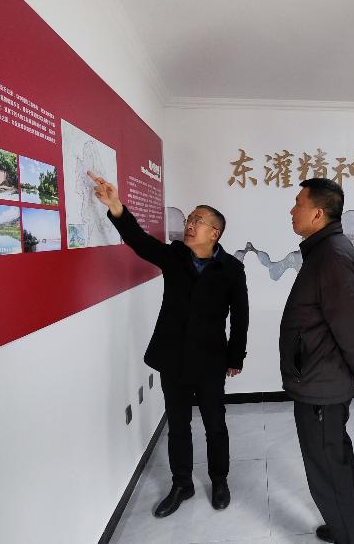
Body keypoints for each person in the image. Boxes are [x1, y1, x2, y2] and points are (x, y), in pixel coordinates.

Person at [89, 171, 249, 518]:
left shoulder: (232, 269)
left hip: (210, 359)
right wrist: (116, 206)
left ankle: (219, 481)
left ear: (215, 232)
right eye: (189, 218)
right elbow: (139, 241)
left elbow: (241, 316)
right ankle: (182, 484)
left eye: (198, 220)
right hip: (173, 356)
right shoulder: (174, 256)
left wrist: (236, 356)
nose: (189, 224)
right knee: (177, 424)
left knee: (215, 424)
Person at [279, 178, 354, 544]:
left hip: (322, 381)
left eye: (298, 203)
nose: (292, 210)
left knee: (327, 466)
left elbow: (347, 322)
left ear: (317, 213)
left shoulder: (332, 255)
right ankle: (352, 528)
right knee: (335, 458)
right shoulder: (325, 250)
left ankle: (350, 536)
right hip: (319, 375)